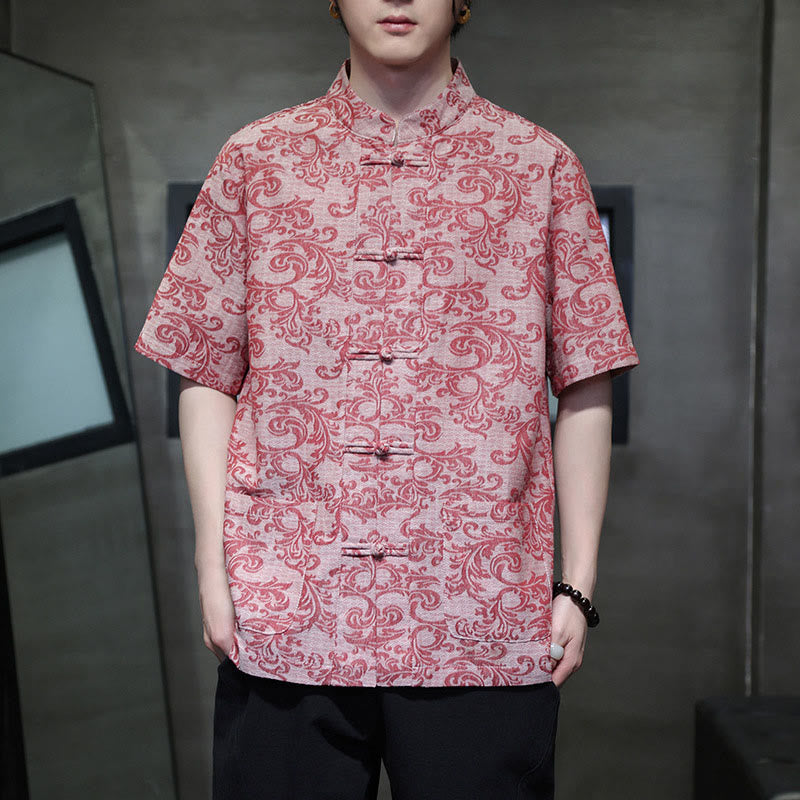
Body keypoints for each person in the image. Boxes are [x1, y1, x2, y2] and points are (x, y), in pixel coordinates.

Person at [134, 1, 639, 797]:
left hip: (479, 615)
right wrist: (213, 566)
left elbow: (586, 379)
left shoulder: (538, 164)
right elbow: (206, 371)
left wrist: (576, 586)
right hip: (289, 605)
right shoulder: (257, 160)